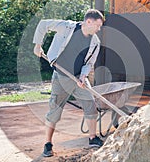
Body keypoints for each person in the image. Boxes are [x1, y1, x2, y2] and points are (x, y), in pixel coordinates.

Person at [33, 9, 105, 157]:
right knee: (54, 111)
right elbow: (42, 24)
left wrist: (83, 76)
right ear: (88, 21)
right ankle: (48, 144)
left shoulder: (95, 42)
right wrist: (38, 45)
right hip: (60, 77)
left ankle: (92, 138)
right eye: (97, 25)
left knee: (91, 105)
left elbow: (89, 63)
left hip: (78, 77)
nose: (99, 29)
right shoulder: (66, 27)